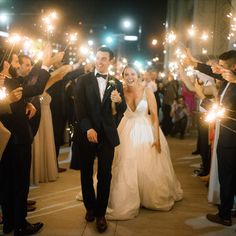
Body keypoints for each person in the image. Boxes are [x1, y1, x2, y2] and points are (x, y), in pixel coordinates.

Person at [106, 64, 183, 220]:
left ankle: (148, 196)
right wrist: (115, 101)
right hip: (126, 129)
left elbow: (154, 115)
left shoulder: (147, 91)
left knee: (148, 165)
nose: (129, 77)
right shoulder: (119, 91)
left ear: (138, 75)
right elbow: (114, 113)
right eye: (126, 74)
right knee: (126, 163)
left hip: (146, 130)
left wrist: (156, 138)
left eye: (132, 74)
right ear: (122, 76)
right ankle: (127, 197)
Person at [74, 46, 126, 233]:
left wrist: (118, 104)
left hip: (107, 137)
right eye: (98, 57)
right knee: (86, 173)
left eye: (104, 58)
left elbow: (122, 110)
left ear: (110, 61)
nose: (100, 61)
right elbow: (79, 108)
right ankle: (90, 207)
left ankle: (101, 213)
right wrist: (88, 128)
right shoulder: (82, 80)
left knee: (105, 174)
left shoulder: (116, 83)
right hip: (86, 134)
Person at [184, 49, 236, 226]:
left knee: (227, 177)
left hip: (231, 140)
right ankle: (229, 210)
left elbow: (224, 112)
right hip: (227, 135)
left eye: (222, 67)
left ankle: (225, 215)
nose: (218, 69)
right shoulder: (228, 80)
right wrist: (194, 62)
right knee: (229, 178)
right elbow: (213, 71)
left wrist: (204, 100)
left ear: (234, 67)